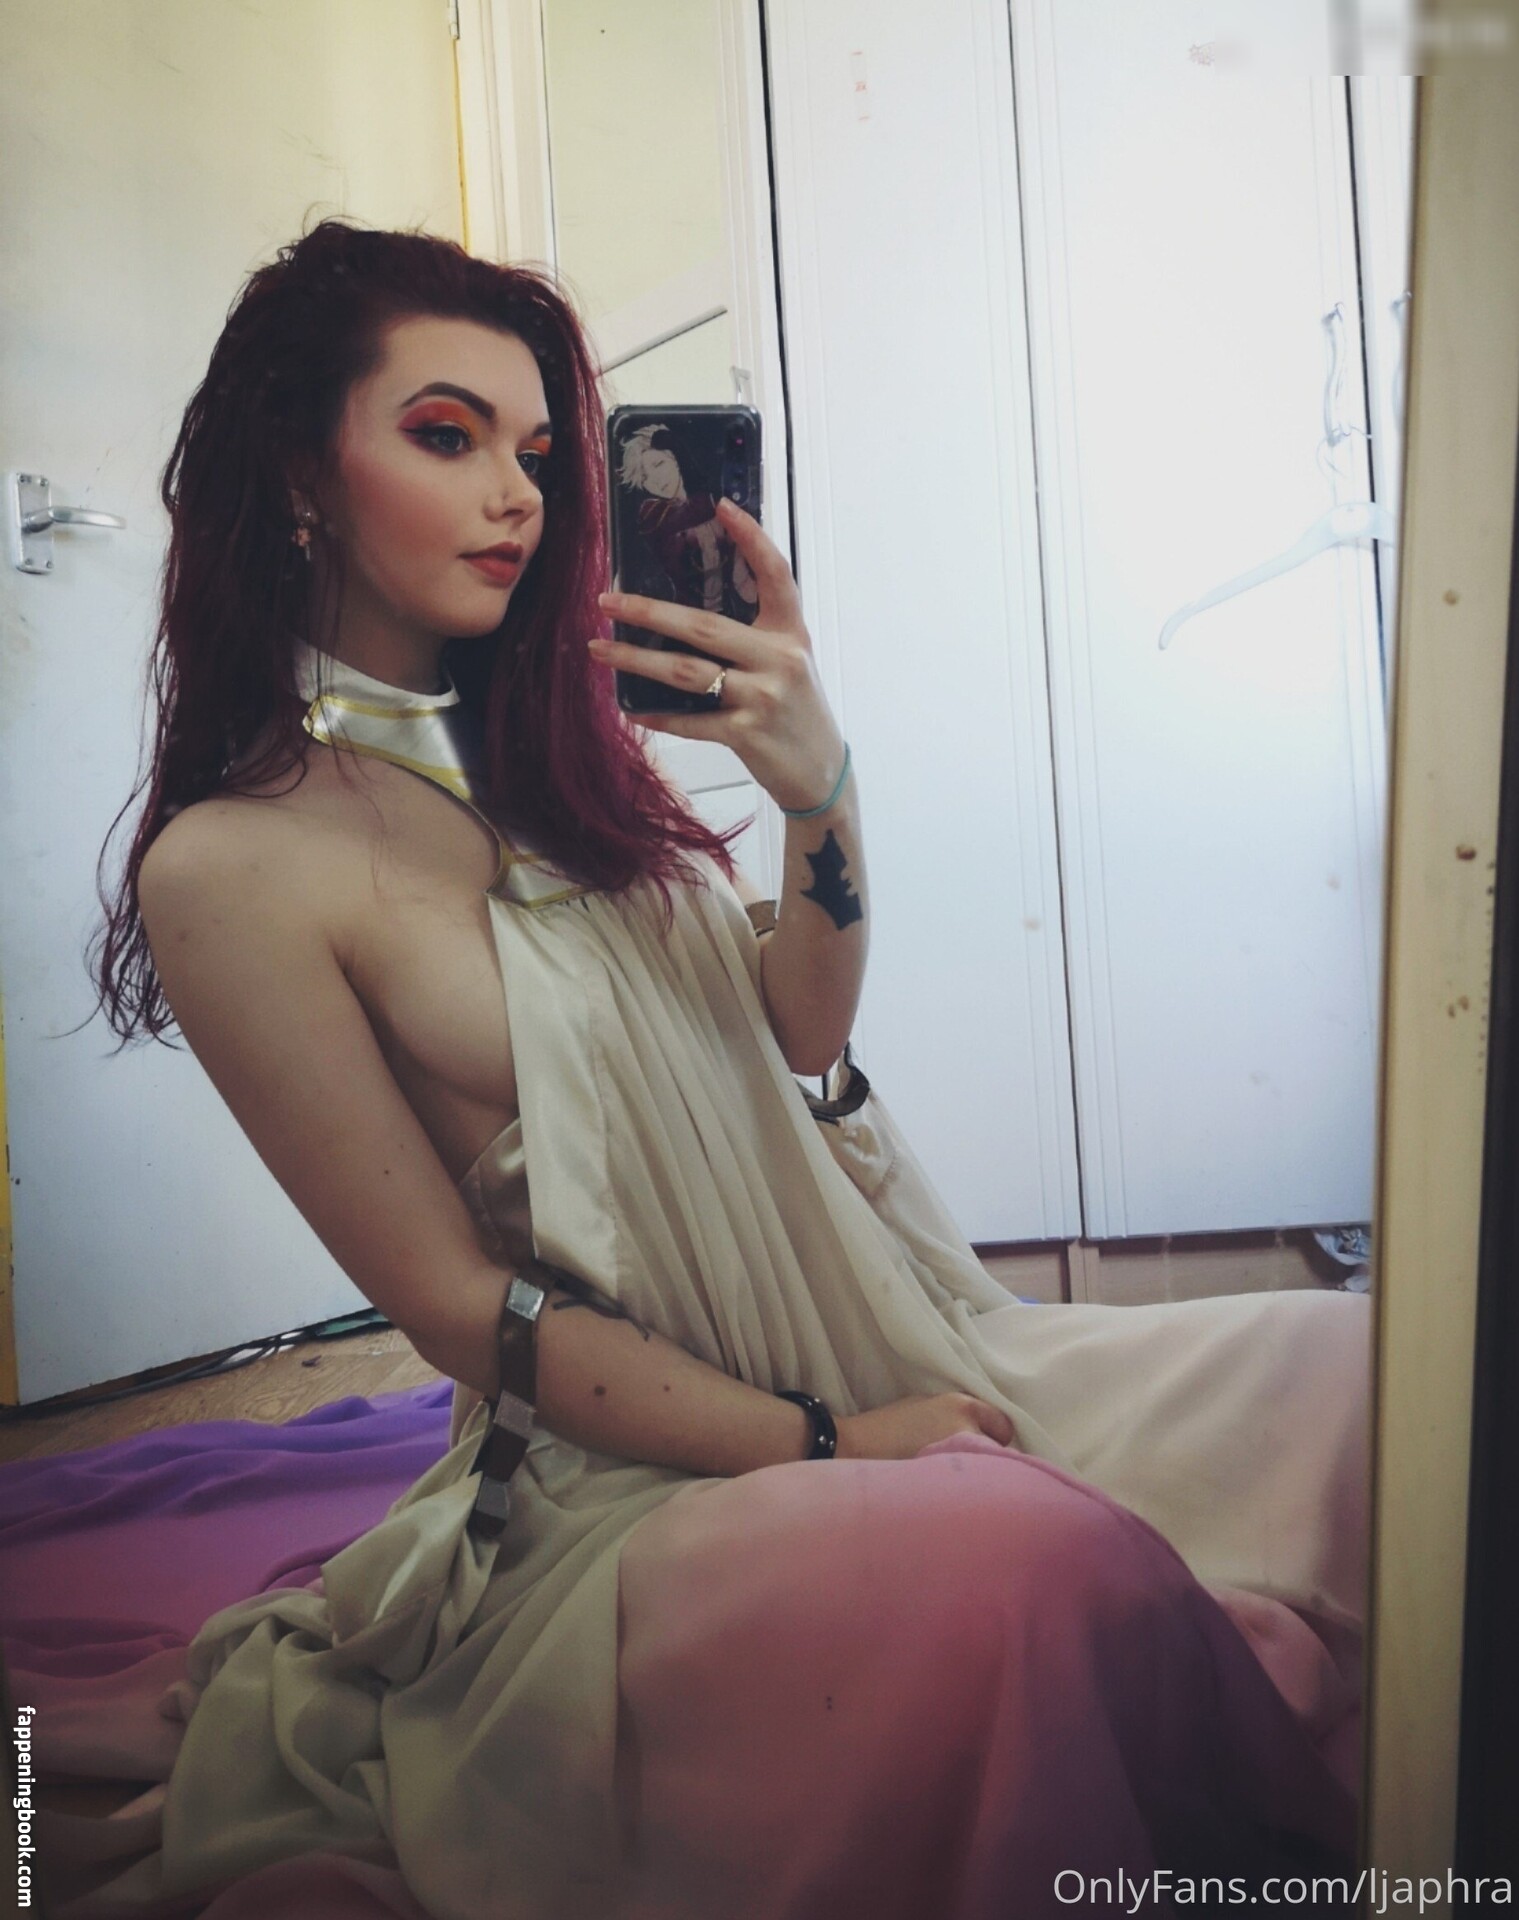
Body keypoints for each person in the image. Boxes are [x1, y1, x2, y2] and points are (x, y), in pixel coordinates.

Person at [74, 217, 1371, 1920]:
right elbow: (459, 1310)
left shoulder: (562, 762)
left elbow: (799, 1032)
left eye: (540, 453)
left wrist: (821, 787)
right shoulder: (238, 866)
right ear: (302, 474)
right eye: (447, 436)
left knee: (1369, 1377)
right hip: (640, 1478)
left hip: (905, 1337)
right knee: (1020, 1566)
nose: (518, 496)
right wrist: (833, 1444)